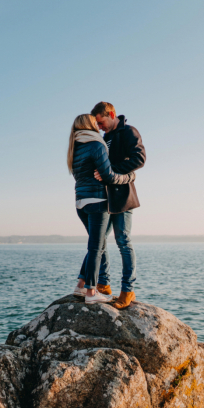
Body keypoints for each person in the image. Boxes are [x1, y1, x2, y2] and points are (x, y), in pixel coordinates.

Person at [68, 114, 135, 304]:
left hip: (80, 202)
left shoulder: (75, 148)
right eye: (95, 123)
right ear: (90, 125)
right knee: (97, 247)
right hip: (98, 201)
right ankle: (91, 293)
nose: (99, 126)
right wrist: (129, 177)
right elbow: (109, 176)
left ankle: (80, 285)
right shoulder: (96, 145)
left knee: (96, 244)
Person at [91, 102, 146, 309]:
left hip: (123, 196)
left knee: (123, 241)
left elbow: (140, 159)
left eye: (101, 122)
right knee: (100, 240)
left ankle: (127, 290)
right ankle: (104, 284)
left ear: (111, 114)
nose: (99, 127)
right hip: (105, 197)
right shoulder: (105, 138)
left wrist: (110, 171)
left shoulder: (129, 131)